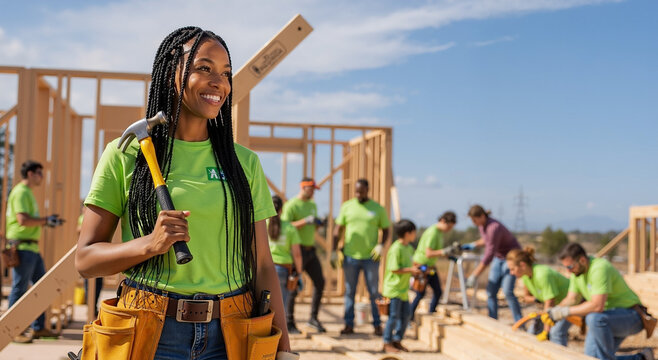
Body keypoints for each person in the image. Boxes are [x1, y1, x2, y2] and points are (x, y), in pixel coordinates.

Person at [76, 27, 292, 359]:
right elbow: (86, 260)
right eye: (203, 68)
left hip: (231, 333)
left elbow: (263, 266)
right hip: (149, 328)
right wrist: (149, 244)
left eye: (225, 73)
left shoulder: (243, 164)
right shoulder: (126, 155)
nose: (218, 81)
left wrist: (283, 350)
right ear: (169, 75)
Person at [549, 243, 654, 360]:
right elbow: (571, 299)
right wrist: (554, 310)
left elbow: (597, 306)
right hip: (607, 320)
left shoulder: (599, 268)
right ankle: (642, 358)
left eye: (570, 267)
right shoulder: (577, 273)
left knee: (593, 318)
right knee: (591, 357)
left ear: (582, 260)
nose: (568, 271)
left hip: (631, 316)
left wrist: (565, 311)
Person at [6, 160, 63, 343]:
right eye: (39, 173)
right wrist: (46, 220)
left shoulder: (27, 193)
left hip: (31, 247)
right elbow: (23, 220)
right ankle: (13, 331)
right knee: (20, 289)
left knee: (42, 288)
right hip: (23, 247)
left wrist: (46, 221)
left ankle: (38, 328)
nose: (42, 177)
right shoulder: (21, 192)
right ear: (30, 173)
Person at [333, 178, 391, 336]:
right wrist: (334, 250)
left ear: (368, 190)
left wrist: (381, 245)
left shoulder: (377, 209)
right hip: (350, 256)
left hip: (370, 258)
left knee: (373, 292)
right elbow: (338, 229)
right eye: (356, 191)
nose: (359, 194)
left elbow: (386, 229)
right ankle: (349, 324)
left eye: (362, 191)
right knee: (350, 291)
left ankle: (377, 325)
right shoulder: (347, 207)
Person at [281, 177, 326, 333]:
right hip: (296, 250)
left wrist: (318, 224)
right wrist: (304, 221)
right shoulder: (292, 205)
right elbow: (285, 226)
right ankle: (289, 323)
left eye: (314, 190)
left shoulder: (312, 204)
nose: (313, 192)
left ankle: (313, 319)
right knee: (293, 286)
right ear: (303, 187)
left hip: (310, 250)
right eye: (311, 189)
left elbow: (311, 227)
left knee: (320, 282)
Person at [464, 204, 522, 322]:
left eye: (474, 220)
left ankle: (519, 322)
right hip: (499, 257)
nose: (473, 223)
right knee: (490, 291)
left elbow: (489, 254)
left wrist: (475, 274)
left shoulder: (493, 227)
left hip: (511, 258)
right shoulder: (482, 226)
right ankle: (493, 320)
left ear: (481, 216)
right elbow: (486, 240)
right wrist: (473, 245)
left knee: (507, 291)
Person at [506, 247, 571, 345]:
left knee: (556, 333)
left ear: (522, 265)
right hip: (554, 307)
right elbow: (527, 297)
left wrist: (546, 331)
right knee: (532, 332)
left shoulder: (542, 274)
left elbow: (550, 302)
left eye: (512, 269)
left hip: (571, 304)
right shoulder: (526, 276)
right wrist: (538, 300)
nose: (511, 273)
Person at [382, 219, 420, 353]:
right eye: (414, 232)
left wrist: (417, 268)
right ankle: (387, 342)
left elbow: (412, 264)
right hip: (394, 289)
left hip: (403, 290)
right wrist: (411, 270)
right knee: (393, 317)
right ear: (407, 233)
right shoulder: (395, 249)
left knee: (405, 316)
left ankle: (397, 340)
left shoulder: (409, 248)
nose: (415, 234)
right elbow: (394, 268)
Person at [409, 211, 456, 319]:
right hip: (422, 266)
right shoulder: (432, 232)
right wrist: (444, 251)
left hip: (430, 266)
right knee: (420, 292)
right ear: (443, 221)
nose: (449, 230)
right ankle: (409, 317)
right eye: (448, 226)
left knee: (438, 291)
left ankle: (431, 313)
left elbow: (436, 251)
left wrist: (447, 255)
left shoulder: (439, 233)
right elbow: (429, 253)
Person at [268, 195, 303, 307]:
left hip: (265, 269)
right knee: (282, 307)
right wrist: (299, 273)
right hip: (283, 270)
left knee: (265, 307)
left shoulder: (263, 225)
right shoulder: (289, 228)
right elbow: (297, 254)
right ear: (281, 210)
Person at [77, 209, 103, 316]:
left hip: (97, 254)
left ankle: (93, 306)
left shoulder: (97, 216)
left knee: (99, 283)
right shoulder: (83, 218)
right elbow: (78, 229)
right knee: (89, 284)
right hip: (89, 254)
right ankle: (91, 308)